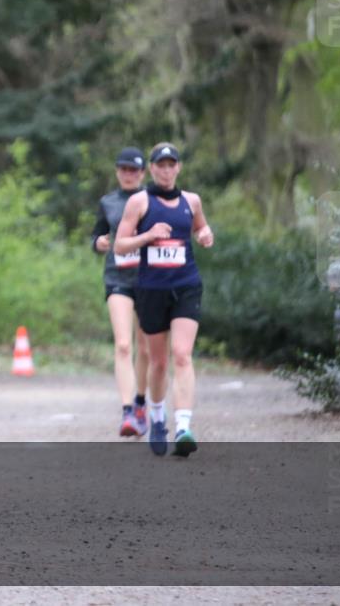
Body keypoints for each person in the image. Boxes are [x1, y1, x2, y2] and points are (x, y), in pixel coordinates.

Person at [114, 143, 213, 457]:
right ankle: (157, 418)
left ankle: (183, 426)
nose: (166, 170)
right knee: (158, 362)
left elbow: (200, 226)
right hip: (151, 289)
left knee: (182, 355)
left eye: (172, 164)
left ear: (179, 168)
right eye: (161, 165)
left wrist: (205, 235)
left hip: (186, 285)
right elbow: (120, 245)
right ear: (152, 169)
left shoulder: (192, 201)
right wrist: (147, 236)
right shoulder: (139, 202)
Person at [91, 147, 151, 437]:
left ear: (142, 173)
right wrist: (98, 243)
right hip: (118, 278)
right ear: (117, 172)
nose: (129, 175)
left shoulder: (152, 200)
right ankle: (128, 411)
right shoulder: (108, 202)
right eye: (124, 169)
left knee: (146, 347)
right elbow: (97, 234)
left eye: (134, 170)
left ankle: (141, 401)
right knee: (124, 344)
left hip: (151, 280)